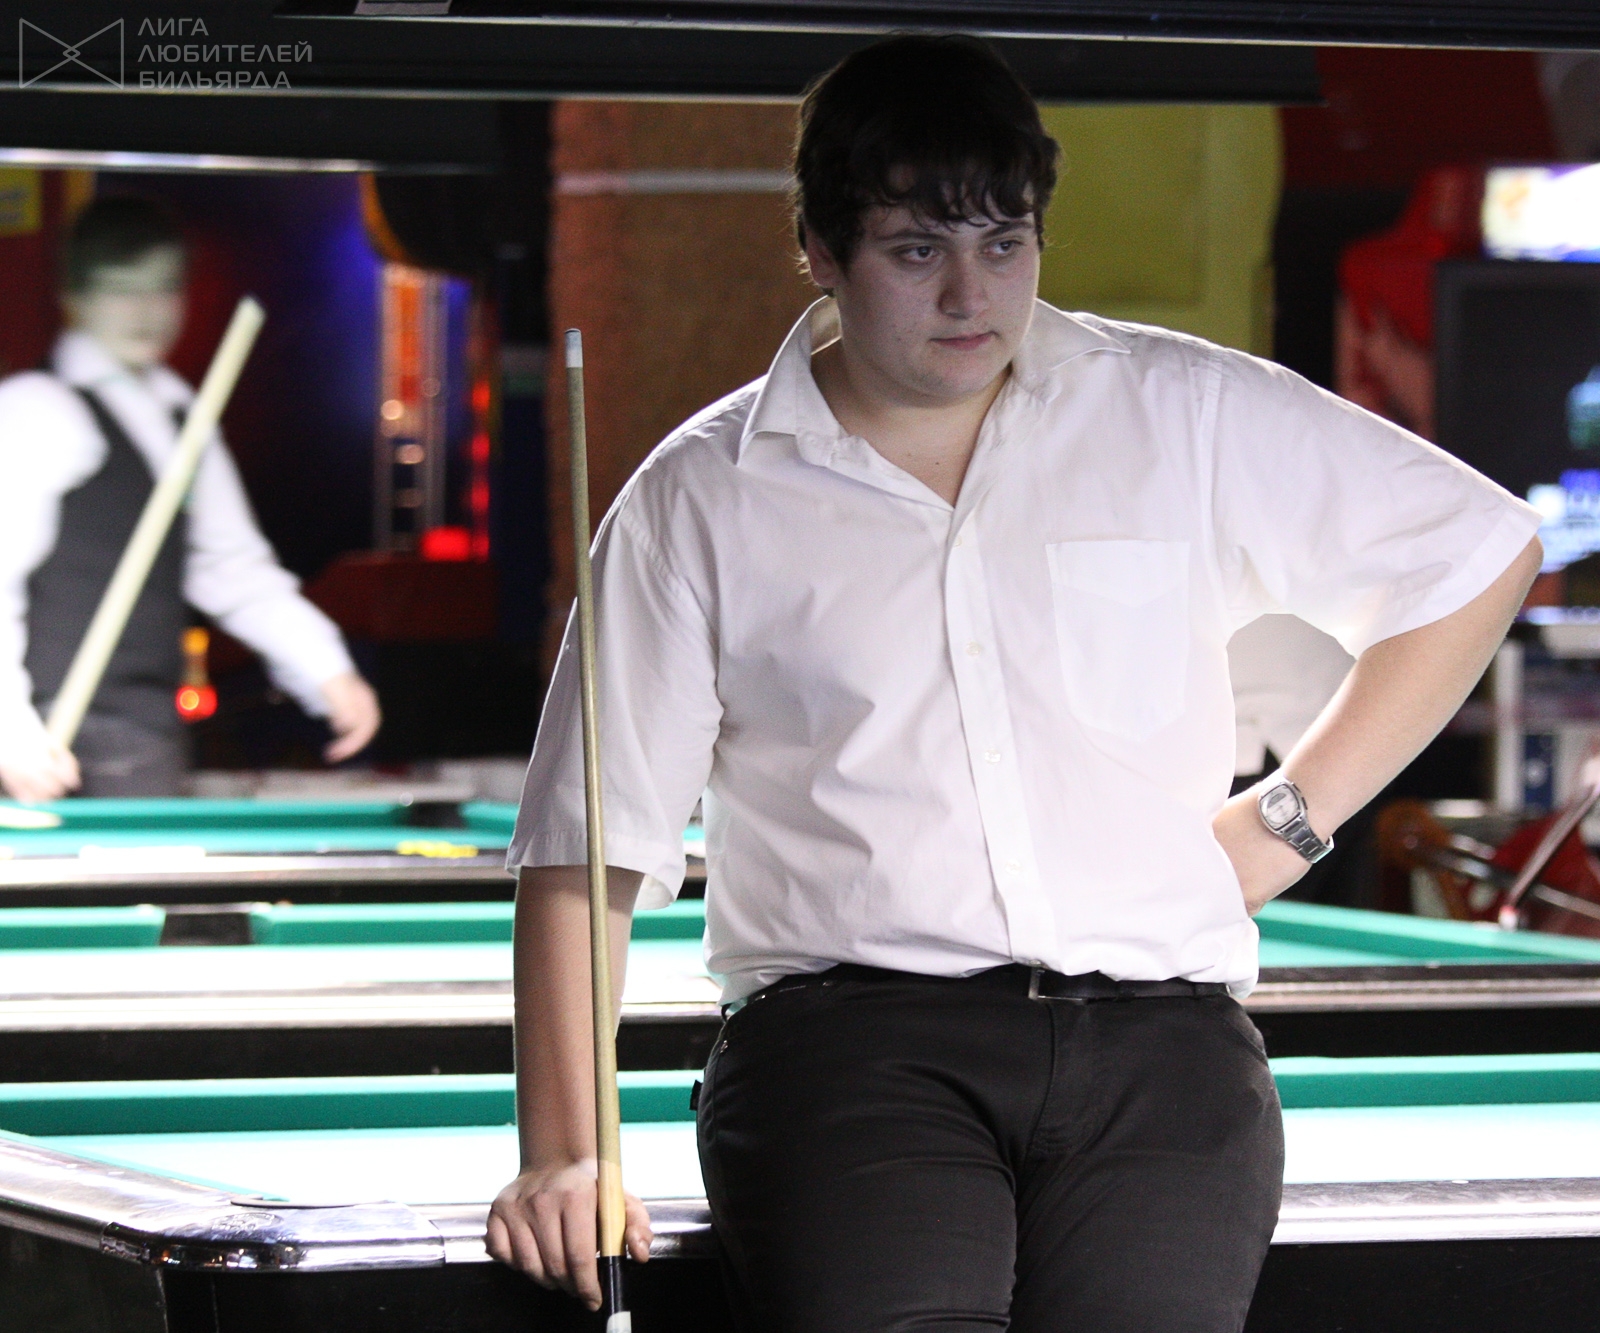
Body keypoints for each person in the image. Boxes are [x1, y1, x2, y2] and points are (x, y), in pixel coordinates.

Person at [488, 34, 1541, 1332]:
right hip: (851, 1048)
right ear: (819, 250)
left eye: (1005, 241)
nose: (969, 293)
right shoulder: (699, 496)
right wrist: (566, 1149)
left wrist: (1285, 823)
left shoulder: (1177, 411)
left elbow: (1473, 554)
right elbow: (588, 851)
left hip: (1163, 1048)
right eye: (915, 250)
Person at [0, 195, 379, 799]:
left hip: (145, 745)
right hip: (43, 746)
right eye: (122, 289)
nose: (147, 311)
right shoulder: (37, 410)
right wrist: (8, 731)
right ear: (75, 297)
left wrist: (325, 668)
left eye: (163, 287)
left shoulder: (183, 419)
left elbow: (231, 568)